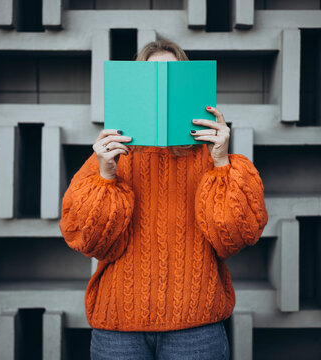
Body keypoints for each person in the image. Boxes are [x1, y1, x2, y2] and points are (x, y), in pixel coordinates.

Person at [59, 39, 268, 360]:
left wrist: (222, 162)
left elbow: (235, 237)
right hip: (119, 327)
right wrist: (106, 174)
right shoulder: (108, 158)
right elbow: (88, 240)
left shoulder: (213, 158)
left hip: (196, 325)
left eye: (173, 75)